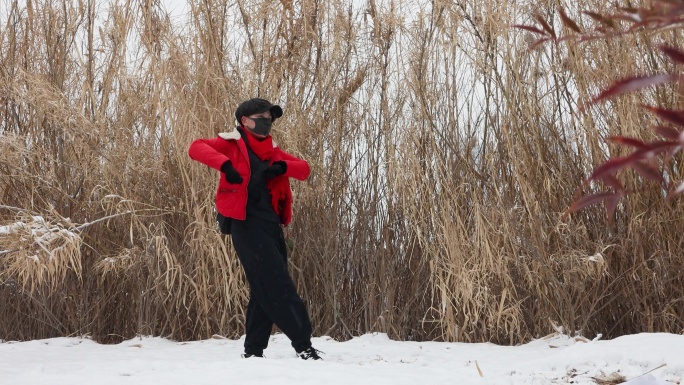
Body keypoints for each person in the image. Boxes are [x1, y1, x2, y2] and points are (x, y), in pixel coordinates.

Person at [188, 98, 321, 360]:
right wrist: (225, 165)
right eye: (262, 116)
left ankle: (253, 350)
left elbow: (304, 170)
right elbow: (196, 147)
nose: (267, 121)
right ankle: (303, 345)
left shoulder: (273, 150)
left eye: (270, 118)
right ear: (244, 121)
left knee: (263, 286)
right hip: (244, 223)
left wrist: (283, 167)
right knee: (277, 283)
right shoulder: (231, 143)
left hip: (271, 224)